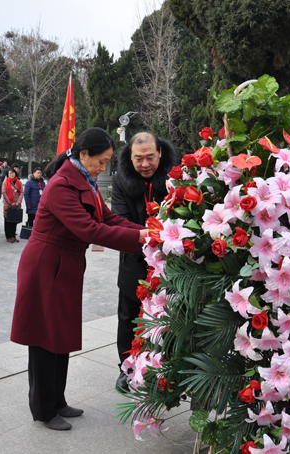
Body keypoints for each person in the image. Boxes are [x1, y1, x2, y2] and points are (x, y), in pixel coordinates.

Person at [10, 127, 147, 431]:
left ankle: (57, 400)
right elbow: (89, 229)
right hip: (46, 265)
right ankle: (43, 410)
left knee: (60, 334)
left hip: (66, 265)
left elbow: (107, 218)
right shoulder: (62, 184)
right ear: (84, 154)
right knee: (44, 338)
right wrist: (139, 237)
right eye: (102, 161)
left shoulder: (84, 179)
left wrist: (144, 231)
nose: (103, 167)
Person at [111, 132, 179, 392]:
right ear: (130, 157)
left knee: (169, 316)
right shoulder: (120, 183)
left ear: (160, 153)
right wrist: (150, 237)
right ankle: (126, 368)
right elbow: (120, 221)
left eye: (150, 157)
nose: (145, 164)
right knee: (128, 317)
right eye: (139, 158)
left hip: (171, 263)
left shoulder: (176, 178)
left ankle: (165, 368)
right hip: (134, 261)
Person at [2, 168, 22, 243]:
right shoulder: (5, 182)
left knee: (14, 221)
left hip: (17, 205)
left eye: (13, 173)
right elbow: (4, 193)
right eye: (10, 173)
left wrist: (18, 202)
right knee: (8, 221)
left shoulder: (19, 182)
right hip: (8, 205)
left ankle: (13, 236)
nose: (12, 174)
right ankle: (8, 236)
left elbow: (21, 193)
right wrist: (10, 202)